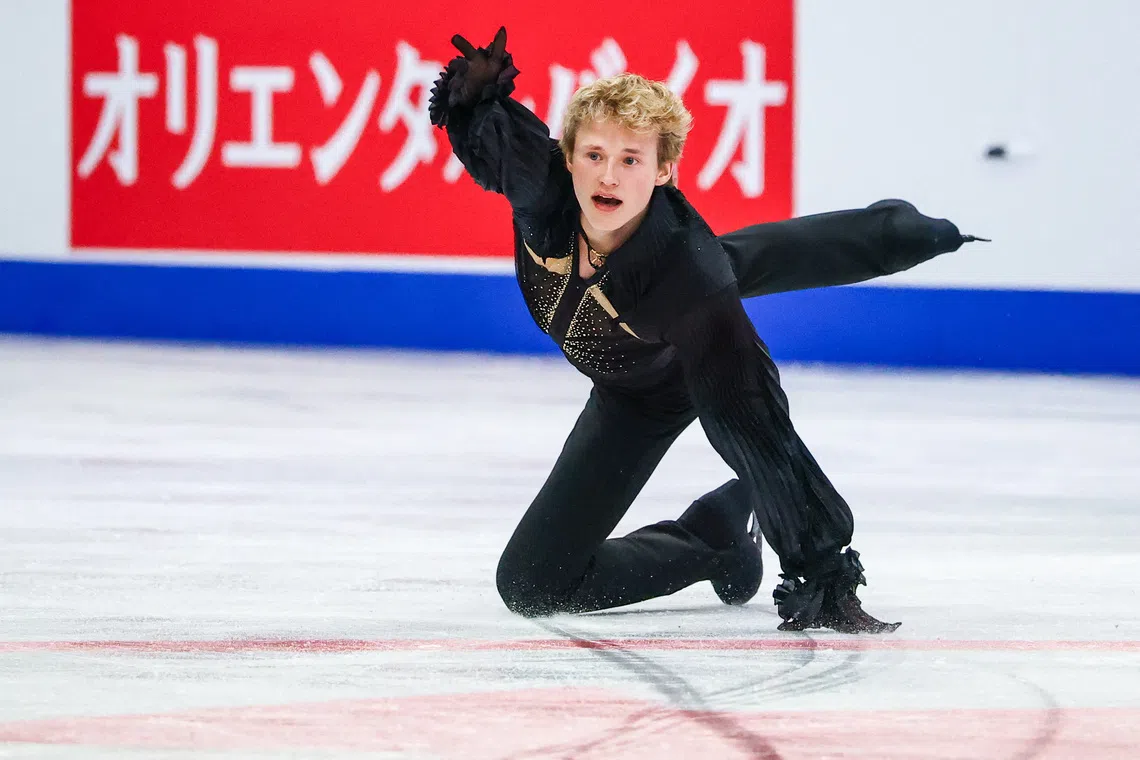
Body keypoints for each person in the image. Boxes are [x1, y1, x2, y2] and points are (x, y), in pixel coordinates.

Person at [428, 27, 986, 633]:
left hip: (669, 378)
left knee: (714, 273)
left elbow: (752, 419)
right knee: (531, 584)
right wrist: (475, 99)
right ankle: (712, 538)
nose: (608, 177)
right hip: (626, 379)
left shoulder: (689, 278)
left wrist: (817, 566)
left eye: (631, 160)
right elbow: (494, 136)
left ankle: (896, 233)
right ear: (567, 157)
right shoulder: (544, 193)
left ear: (664, 170)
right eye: (593, 156)